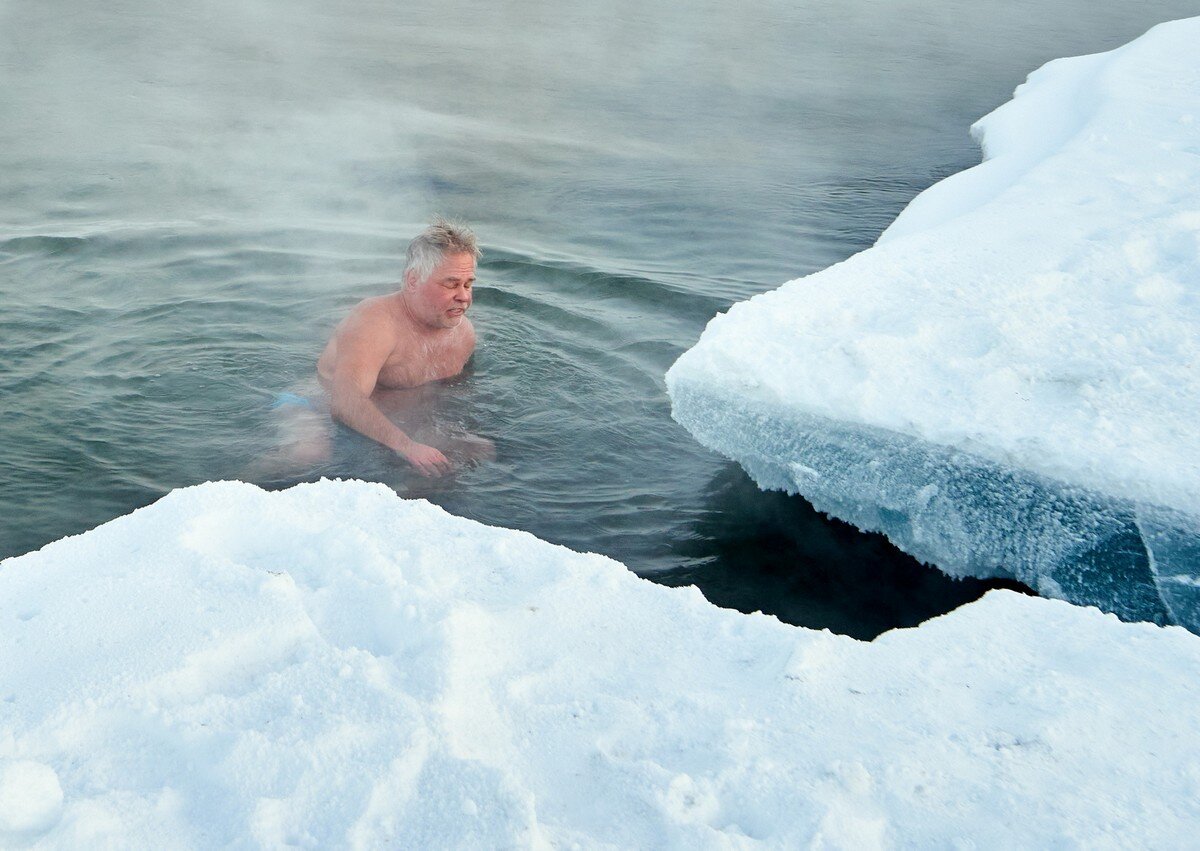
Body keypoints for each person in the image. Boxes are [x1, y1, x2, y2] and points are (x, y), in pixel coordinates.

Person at [313, 218, 483, 477]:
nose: (464, 296)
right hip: (317, 408)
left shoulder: (463, 334)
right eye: (451, 284)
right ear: (413, 281)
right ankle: (233, 495)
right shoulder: (375, 323)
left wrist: (447, 435)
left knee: (478, 450)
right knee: (307, 455)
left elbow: (456, 395)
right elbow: (344, 401)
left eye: (468, 284)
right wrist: (407, 446)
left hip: (399, 417)